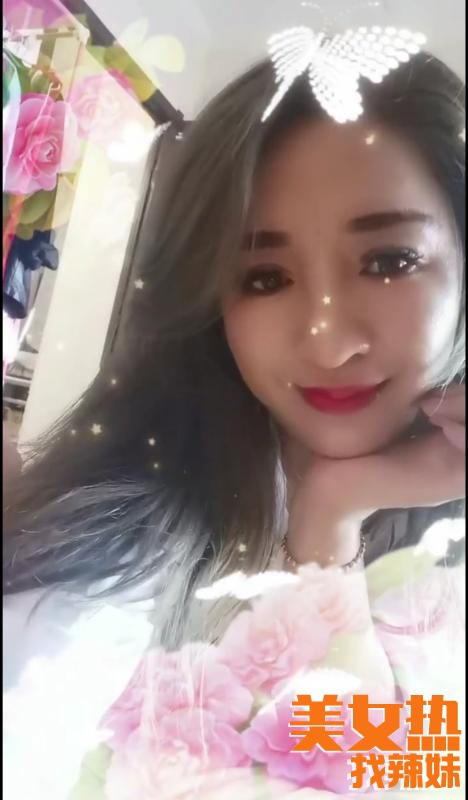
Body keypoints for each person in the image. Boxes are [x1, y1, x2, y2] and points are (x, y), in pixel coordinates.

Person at [3, 51, 465, 653]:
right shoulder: (121, 559)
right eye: (266, 278)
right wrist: (330, 519)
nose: (328, 344)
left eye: (389, 262)